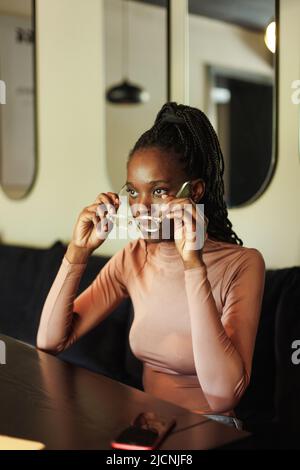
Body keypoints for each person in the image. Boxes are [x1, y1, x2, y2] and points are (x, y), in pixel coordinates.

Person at [37, 102, 266, 430]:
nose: (141, 208)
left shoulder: (243, 264)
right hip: (147, 425)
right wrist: (77, 252)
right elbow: (49, 342)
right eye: (133, 191)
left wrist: (193, 265)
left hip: (211, 428)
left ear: (195, 192)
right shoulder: (133, 257)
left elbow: (223, 397)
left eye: (158, 191)